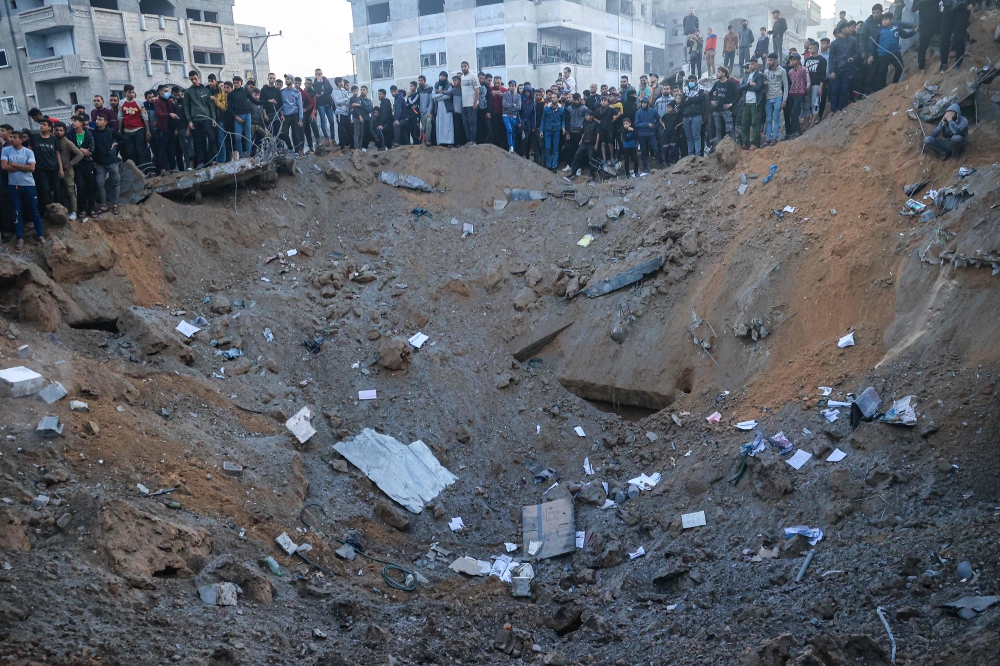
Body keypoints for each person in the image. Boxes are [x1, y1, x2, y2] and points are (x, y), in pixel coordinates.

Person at [2, 131, 45, 249]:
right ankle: (20, 238)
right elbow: (4, 166)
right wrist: (23, 167)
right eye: (11, 137)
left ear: (21, 140)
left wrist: (14, 164)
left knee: (34, 211)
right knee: (16, 212)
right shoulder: (6, 151)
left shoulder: (28, 152)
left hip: (29, 185)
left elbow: (31, 168)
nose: (11, 139)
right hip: (14, 185)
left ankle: (40, 234)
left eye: (14, 137)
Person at [183, 71, 217, 169]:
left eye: (195, 79)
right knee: (198, 141)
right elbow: (186, 107)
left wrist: (213, 119)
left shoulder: (206, 90)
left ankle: (212, 159)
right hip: (195, 119)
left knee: (211, 138)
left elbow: (211, 106)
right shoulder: (188, 91)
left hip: (207, 118)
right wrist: (189, 121)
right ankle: (201, 162)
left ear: (198, 77)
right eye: (191, 79)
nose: (193, 81)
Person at [874, 12, 917, 90]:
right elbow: (875, 43)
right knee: (882, 72)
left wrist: (914, 32)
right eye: (882, 20)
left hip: (895, 53)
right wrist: (871, 54)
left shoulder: (896, 28)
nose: (884, 21)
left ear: (892, 20)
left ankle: (894, 85)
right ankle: (883, 89)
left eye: (886, 19)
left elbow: (905, 35)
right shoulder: (879, 30)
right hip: (883, 54)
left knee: (900, 68)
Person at [91, 114, 122, 216]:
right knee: (100, 184)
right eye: (97, 119)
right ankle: (104, 205)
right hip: (99, 163)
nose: (97, 121)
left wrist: (116, 143)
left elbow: (124, 139)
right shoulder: (93, 133)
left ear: (105, 122)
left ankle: (115, 204)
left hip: (112, 162)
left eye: (100, 119)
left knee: (116, 183)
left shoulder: (111, 132)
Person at [53, 122, 82, 220]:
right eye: (57, 130)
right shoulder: (53, 141)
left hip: (67, 170)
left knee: (70, 191)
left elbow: (80, 154)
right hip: (55, 170)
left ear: (65, 131)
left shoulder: (67, 142)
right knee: (61, 192)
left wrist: (69, 164)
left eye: (61, 130)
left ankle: (74, 212)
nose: (59, 132)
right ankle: (66, 210)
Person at [29, 119, 60, 211]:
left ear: (50, 127)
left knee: (57, 189)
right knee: (45, 190)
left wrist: (61, 168)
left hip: (54, 167)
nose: (42, 126)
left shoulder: (53, 139)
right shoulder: (34, 137)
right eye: (41, 124)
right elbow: (29, 151)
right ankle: (47, 211)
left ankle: (58, 210)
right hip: (40, 168)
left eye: (44, 124)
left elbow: (57, 154)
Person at [70, 115, 96, 219]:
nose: (73, 123)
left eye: (75, 121)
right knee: (80, 187)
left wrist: (83, 151)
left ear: (81, 123)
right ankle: (83, 209)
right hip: (77, 164)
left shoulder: (89, 134)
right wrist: (80, 149)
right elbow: (70, 148)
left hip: (88, 163)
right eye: (72, 121)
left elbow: (91, 150)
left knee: (91, 186)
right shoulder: (70, 135)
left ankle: (92, 208)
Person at [828, 26, 859, 113]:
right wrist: (831, 71)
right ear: (842, 29)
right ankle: (833, 110)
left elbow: (857, 53)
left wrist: (853, 58)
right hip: (837, 69)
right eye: (847, 27)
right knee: (835, 89)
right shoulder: (834, 43)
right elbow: (831, 58)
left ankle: (840, 109)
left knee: (844, 88)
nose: (850, 29)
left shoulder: (853, 40)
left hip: (848, 68)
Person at [763, 53, 789, 145]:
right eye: (768, 60)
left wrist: (784, 99)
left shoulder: (782, 71)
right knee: (769, 118)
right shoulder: (766, 72)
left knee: (776, 117)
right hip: (768, 97)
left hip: (778, 96)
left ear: (776, 60)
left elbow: (786, 85)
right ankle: (767, 138)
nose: (769, 62)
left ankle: (775, 137)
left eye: (771, 60)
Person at [152, 85, 179, 174]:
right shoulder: (157, 102)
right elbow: (159, 114)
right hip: (163, 129)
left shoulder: (170, 102)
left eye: (167, 91)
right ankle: (163, 169)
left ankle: (173, 168)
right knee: (162, 149)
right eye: (165, 91)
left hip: (171, 128)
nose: (167, 93)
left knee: (172, 149)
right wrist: (169, 114)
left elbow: (174, 113)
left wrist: (175, 128)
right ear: (160, 92)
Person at [859, 4, 885, 93]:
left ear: (881, 12)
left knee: (881, 72)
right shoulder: (867, 24)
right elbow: (862, 39)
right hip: (871, 53)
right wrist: (863, 51)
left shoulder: (884, 21)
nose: (875, 15)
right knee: (871, 73)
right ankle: (868, 92)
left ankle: (879, 91)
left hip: (882, 52)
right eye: (873, 13)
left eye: (877, 13)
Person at [709, 67, 738, 147]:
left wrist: (731, 104)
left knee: (730, 128)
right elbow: (710, 93)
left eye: (718, 72)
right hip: (716, 110)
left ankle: (733, 145)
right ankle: (719, 146)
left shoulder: (730, 83)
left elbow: (738, 94)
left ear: (724, 73)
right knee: (718, 128)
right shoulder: (717, 83)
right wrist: (712, 101)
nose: (717, 73)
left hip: (726, 110)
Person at [679, 75, 707, 157]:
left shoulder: (701, 91)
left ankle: (698, 155)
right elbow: (683, 102)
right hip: (686, 116)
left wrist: (689, 100)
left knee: (696, 136)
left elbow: (699, 99)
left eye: (693, 80)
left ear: (696, 81)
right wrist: (692, 99)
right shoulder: (685, 90)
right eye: (690, 81)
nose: (691, 82)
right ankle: (690, 154)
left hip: (697, 115)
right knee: (689, 136)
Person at [785, 54, 810, 138]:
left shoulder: (803, 70)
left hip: (800, 93)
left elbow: (807, 82)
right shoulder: (790, 72)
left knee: (794, 112)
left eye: (794, 60)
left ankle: (798, 131)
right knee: (792, 112)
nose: (792, 61)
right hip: (792, 93)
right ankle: (794, 130)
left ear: (799, 60)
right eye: (791, 60)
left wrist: (806, 93)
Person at [634, 97, 660, 174]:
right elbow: (637, 124)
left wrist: (655, 127)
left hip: (651, 134)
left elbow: (659, 120)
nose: (643, 104)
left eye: (645, 103)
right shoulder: (638, 112)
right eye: (642, 103)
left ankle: (660, 163)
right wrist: (647, 125)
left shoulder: (653, 111)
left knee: (656, 149)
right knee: (644, 152)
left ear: (648, 103)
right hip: (642, 135)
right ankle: (645, 167)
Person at [279, 75, 304, 154]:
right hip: (286, 115)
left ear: (293, 81)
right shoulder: (282, 92)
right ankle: (290, 147)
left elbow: (300, 106)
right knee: (284, 133)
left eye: (288, 79)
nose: (287, 80)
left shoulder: (297, 92)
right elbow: (280, 104)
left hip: (294, 114)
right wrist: (281, 114)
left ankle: (297, 151)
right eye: (286, 79)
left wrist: (300, 119)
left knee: (296, 134)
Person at [804, 41, 828, 127]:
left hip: (816, 84)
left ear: (816, 48)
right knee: (807, 104)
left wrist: (821, 87)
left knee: (815, 103)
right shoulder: (806, 60)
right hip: (807, 85)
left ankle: (812, 123)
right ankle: (806, 123)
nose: (809, 50)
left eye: (811, 48)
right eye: (808, 48)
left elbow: (823, 75)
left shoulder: (822, 60)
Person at [539, 96, 564, 171]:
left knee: (556, 149)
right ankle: (548, 164)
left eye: (554, 97)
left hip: (557, 130)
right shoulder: (547, 108)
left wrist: (563, 127)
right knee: (547, 147)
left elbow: (563, 120)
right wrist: (541, 130)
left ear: (558, 99)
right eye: (552, 98)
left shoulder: (561, 109)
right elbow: (543, 119)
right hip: (548, 130)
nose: (553, 99)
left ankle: (554, 166)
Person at [913, 0, 939, 71]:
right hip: (924, 24)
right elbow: (913, 8)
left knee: (937, 40)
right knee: (923, 45)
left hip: (936, 22)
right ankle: (921, 66)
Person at [431, 72, 455, 146]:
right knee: (439, 125)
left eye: (444, 76)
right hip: (438, 108)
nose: (442, 77)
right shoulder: (436, 84)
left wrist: (438, 98)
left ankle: (449, 142)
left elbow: (448, 96)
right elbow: (433, 96)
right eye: (441, 75)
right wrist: (441, 94)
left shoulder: (449, 85)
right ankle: (440, 142)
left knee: (448, 125)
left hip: (447, 108)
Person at [459, 61, 479, 146]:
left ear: (468, 67)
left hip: (471, 104)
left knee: (472, 123)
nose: (463, 68)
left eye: (465, 66)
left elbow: (477, 89)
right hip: (464, 104)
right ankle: (469, 140)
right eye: (462, 66)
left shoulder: (473, 76)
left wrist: (475, 102)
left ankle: (473, 141)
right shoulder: (462, 77)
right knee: (465, 123)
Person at [313, 69, 335, 143]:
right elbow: (317, 92)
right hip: (321, 104)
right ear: (315, 75)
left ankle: (333, 138)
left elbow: (330, 90)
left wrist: (322, 93)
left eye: (321, 73)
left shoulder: (326, 81)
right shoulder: (315, 83)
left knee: (331, 121)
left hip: (328, 103)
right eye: (318, 74)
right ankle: (326, 137)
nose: (320, 75)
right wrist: (319, 83)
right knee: (323, 121)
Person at [260, 73, 284, 137]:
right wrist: (264, 115)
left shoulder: (277, 91)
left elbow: (280, 103)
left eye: (273, 78)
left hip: (276, 114)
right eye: (271, 78)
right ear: (268, 79)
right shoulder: (264, 90)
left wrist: (281, 115)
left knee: (278, 132)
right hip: (268, 114)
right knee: (269, 133)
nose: (272, 80)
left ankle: (278, 147)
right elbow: (262, 103)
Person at [659, 100, 681, 164]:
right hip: (666, 133)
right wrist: (663, 125)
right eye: (668, 107)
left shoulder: (676, 115)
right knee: (665, 147)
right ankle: (667, 161)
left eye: (670, 107)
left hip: (674, 133)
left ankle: (674, 160)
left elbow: (682, 121)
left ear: (673, 108)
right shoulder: (666, 115)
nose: (669, 109)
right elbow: (660, 119)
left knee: (673, 147)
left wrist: (677, 126)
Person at [501, 80, 521, 152]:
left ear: (515, 86)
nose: (511, 87)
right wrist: (513, 105)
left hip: (514, 116)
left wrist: (510, 109)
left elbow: (519, 107)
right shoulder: (505, 94)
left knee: (513, 132)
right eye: (510, 86)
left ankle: (513, 148)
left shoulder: (518, 96)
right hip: (506, 115)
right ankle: (511, 146)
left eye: (513, 86)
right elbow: (504, 105)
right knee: (509, 130)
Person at [333, 77, 351, 148]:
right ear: (339, 83)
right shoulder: (334, 91)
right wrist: (345, 99)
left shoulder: (344, 91)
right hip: (340, 113)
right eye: (342, 81)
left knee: (348, 129)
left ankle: (347, 144)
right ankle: (341, 145)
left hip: (346, 112)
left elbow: (349, 101)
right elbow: (337, 102)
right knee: (341, 129)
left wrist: (343, 101)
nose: (343, 83)